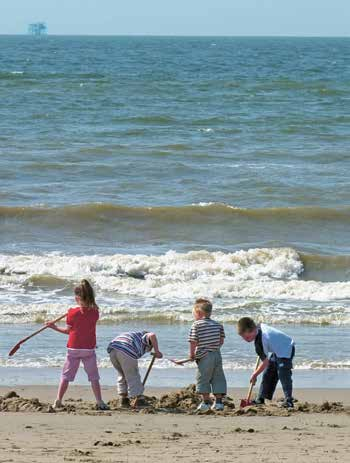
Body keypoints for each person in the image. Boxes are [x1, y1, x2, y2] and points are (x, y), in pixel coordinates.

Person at [46, 279, 109, 410]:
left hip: (73, 349)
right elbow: (90, 311)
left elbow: (68, 331)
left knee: (66, 376)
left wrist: (53, 327)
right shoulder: (95, 313)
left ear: (77, 297)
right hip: (88, 349)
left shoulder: (72, 313)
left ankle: (58, 399)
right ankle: (99, 401)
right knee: (94, 377)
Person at [237, 317, 295, 408]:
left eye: (247, 337)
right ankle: (261, 398)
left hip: (286, 347)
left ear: (253, 330)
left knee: (283, 373)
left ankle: (289, 401)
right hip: (276, 350)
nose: (246, 340)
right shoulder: (258, 329)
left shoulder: (261, 339)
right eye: (243, 338)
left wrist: (254, 375)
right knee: (268, 372)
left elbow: (265, 362)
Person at [188, 298, 227, 412]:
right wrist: (214, 347)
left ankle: (205, 402)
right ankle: (219, 403)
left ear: (199, 313)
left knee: (203, 378)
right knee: (218, 377)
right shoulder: (218, 325)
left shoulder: (196, 325)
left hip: (204, 356)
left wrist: (191, 354)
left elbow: (193, 341)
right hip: (216, 354)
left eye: (194, 314)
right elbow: (221, 341)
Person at [107, 330, 163, 407]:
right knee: (133, 375)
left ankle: (124, 400)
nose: (148, 350)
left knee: (123, 374)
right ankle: (139, 400)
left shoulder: (134, 336)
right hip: (126, 349)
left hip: (113, 350)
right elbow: (152, 335)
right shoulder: (144, 336)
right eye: (150, 348)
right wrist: (157, 351)